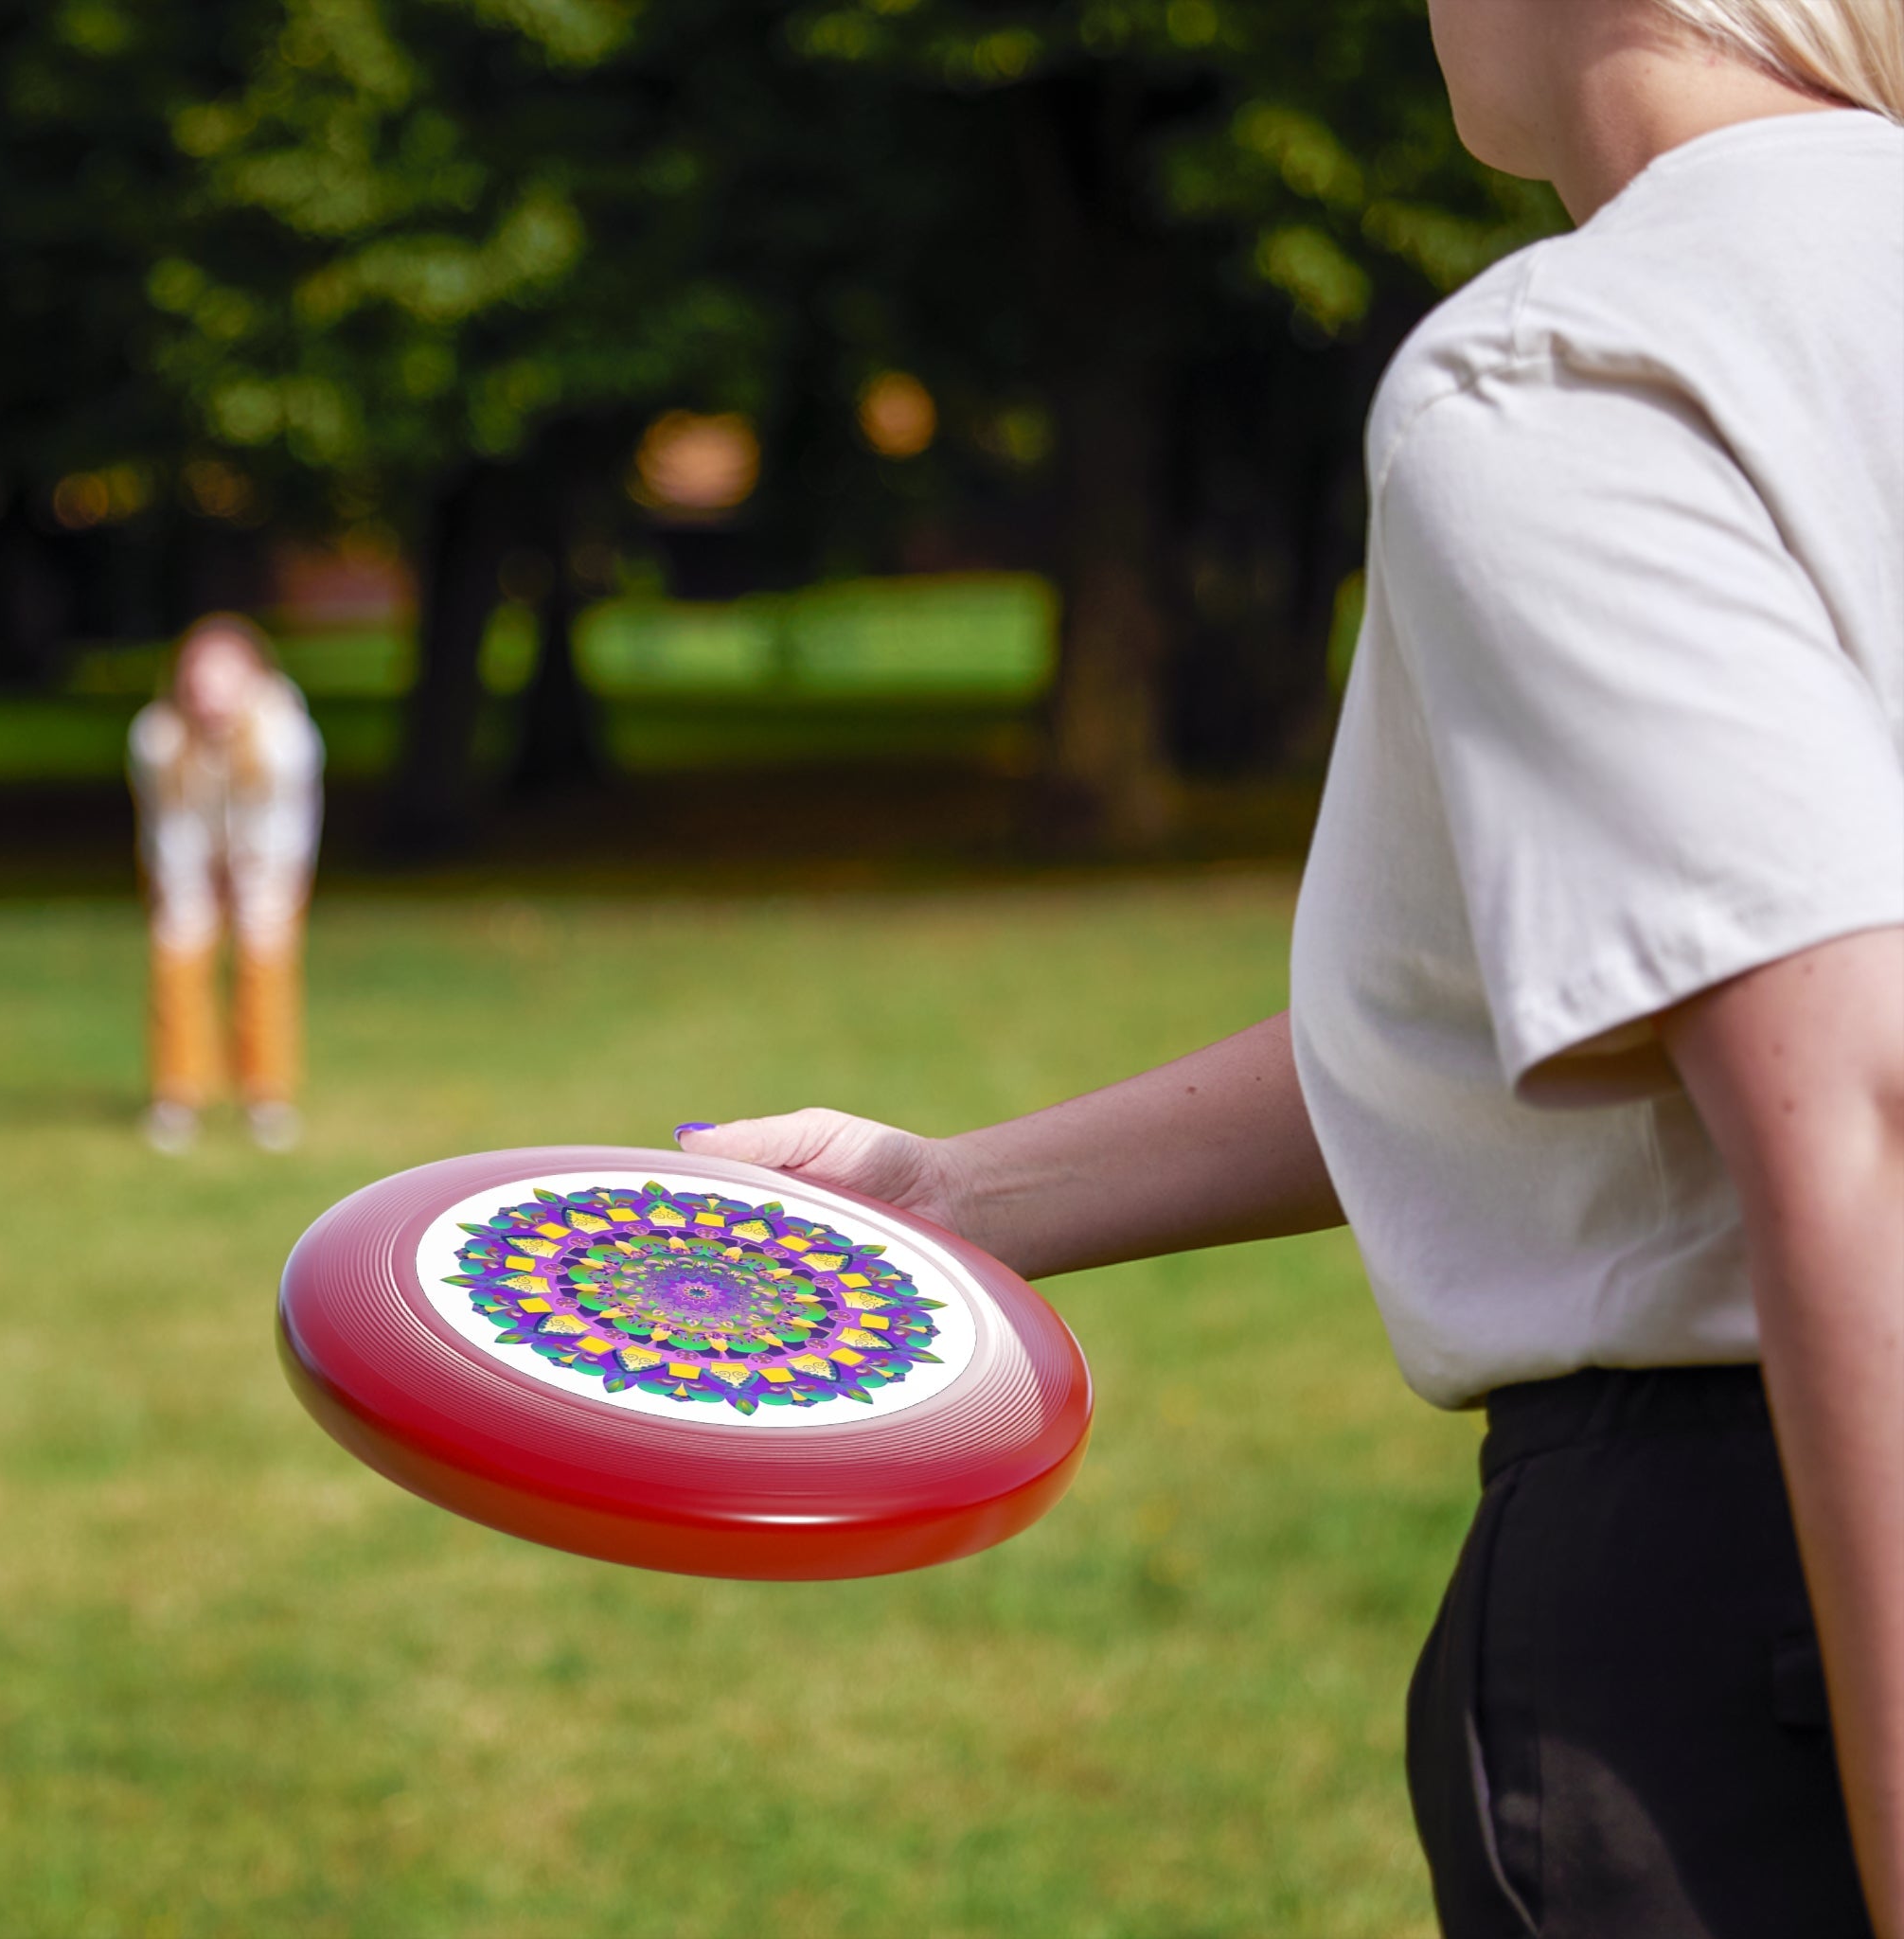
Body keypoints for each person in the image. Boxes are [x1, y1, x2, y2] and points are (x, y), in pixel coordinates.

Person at [675, 2, 1904, 1932]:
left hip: (1766, 1598)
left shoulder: (1580, 362)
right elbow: (1612, 990)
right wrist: (956, 1193)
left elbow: (1855, 1101)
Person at [128, 614, 324, 1154]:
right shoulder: (157, 738)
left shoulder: (285, 736)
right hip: (187, 859)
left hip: (268, 861)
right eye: (199, 677)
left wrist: (254, 886)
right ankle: (178, 1095)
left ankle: (267, 1096)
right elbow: (170, 827)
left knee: (265, 962)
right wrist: (190, 892)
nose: (210, 693)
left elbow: (283, 827)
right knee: (178, 955)